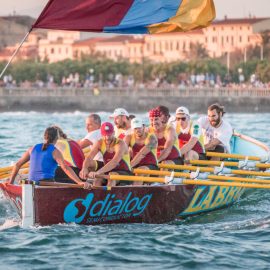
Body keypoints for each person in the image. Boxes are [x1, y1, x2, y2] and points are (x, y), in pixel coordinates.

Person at [9, 127, 84, 186]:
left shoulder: (32, 148)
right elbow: (65, 168)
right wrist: (79, 182)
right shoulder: (55, 151)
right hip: (47, 183)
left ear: (45, 137)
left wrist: (10, 183)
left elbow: (17, 165)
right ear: (57, 138)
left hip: (31, 182)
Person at [80, 122, 132, 187]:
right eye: (105, 135)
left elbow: (114, 162)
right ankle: (96, 194)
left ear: (113, 132)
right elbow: (89, 157)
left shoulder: (120, 144)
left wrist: (98, 172)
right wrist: (84, 168)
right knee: (97, 178)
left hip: (125, 172)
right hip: (108, 171)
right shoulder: (99, 142)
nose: (107, 137)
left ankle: (108, 194)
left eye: (109, 134)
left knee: (111, 175)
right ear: (101, 134)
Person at [125, 118, 158, 183]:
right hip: (135, 165)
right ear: (132, 129)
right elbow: (121, 153)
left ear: (143, 126)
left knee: (139, 171)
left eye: (139, 127)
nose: (137, 130)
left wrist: (128, 166)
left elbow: (142, 154)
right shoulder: (128, 137)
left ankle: (134, 192)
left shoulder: (152, 138)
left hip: (151, 166)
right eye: (135, 128)